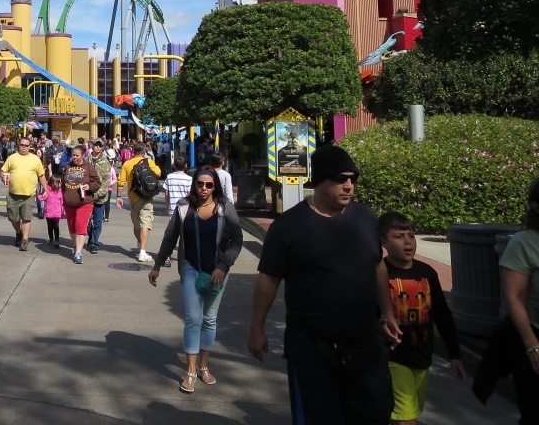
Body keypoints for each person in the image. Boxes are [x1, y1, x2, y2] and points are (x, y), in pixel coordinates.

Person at [246, 145, 401, 425]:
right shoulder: (289, 226)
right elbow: (268, 279)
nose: (349, 185)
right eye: (341, 178)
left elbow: (377, 264)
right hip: (312, 348)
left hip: (364, 343)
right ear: (319, 181)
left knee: (376, 413)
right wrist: (256, 329)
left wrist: (387, 313)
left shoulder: (367, 219)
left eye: (353, 179)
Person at [150, 169, 243, 391]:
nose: (204, 189)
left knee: (209, 319)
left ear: (215, 187)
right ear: (195, 185)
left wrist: (222, 267)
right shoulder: (184, 207)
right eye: (200, 184)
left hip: (216, 272)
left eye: (209, 185)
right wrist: (157, 265)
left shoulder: (225, 208)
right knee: (193, 317)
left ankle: (203, 365)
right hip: (191, 268)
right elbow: (170, 236)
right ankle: (190, 370)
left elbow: (236, 241)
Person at [378, 212, 464, 425]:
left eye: (411, 235)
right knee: (407, 416)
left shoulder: (427, 272)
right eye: (399, 236)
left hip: (422, 354)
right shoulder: (379, 273)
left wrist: (455, 354)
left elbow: (442, 315)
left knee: (408, 412)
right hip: (392, 356)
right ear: (384, 243)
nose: (407, 242)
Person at [474, 176, 539, 421]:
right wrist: (533, 347)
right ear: (536, 206)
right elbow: (514, 297)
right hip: (532, 335)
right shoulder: (524, 243)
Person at [116, 141, 163, 263]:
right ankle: (142, 252)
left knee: (137, 224)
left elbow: (121, 181)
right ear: (144, 151)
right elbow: (158, 173)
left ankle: (140, 244)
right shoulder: (148, 162)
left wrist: (119, 196)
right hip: (146, 196)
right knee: (145, 223)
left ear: (133, 151)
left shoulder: (127, 164)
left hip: (133, 197)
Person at [0, 137, 47, 251]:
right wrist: (2, 175)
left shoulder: (35, 159)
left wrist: (45, 189)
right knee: (13, 218)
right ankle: (19, 233)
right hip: (13, 193)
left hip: (29, 194)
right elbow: (3, 170)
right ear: (18, 145)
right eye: (22, 145)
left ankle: (25, 240)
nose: (24, 147)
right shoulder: (12, 158)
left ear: (30, 146)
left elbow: (41, 175)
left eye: (26, 145)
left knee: (26, 218)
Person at [62, 146, 100, 264]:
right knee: (72, 227)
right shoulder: (68, 167)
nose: (75, 157)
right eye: (73, 155)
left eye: (77, 155)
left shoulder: (89, 167)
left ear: (82, 155)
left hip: (85, 202)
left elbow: (97, 182)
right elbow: (63, 182)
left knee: (80, 226)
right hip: (69, 202)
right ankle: (76, 245)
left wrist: (90, 187)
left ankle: (78, 253)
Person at [87, 140, 112, 253]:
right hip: (86, 196)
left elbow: (107, 180)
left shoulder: (105, 162)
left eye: (100, 145)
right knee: (86, 222)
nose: (97, 147)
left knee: (97, 222)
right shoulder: (87, 159)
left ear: (102, 147)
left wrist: (98, 194)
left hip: (100, 197)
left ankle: (93, 243)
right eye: (95, 145)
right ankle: (89, 236)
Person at [41, 176, 64, 248]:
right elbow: (40, 196)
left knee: (56, 226)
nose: (61, 183)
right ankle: (51, 238)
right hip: (49, 212)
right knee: (50, 226)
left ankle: (57, 240)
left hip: (57, 212)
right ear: (54, 183)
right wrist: (42, 197)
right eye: (59, 182)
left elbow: (62, 203)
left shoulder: (60, 191)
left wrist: (62, 212)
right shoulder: (47, 190)